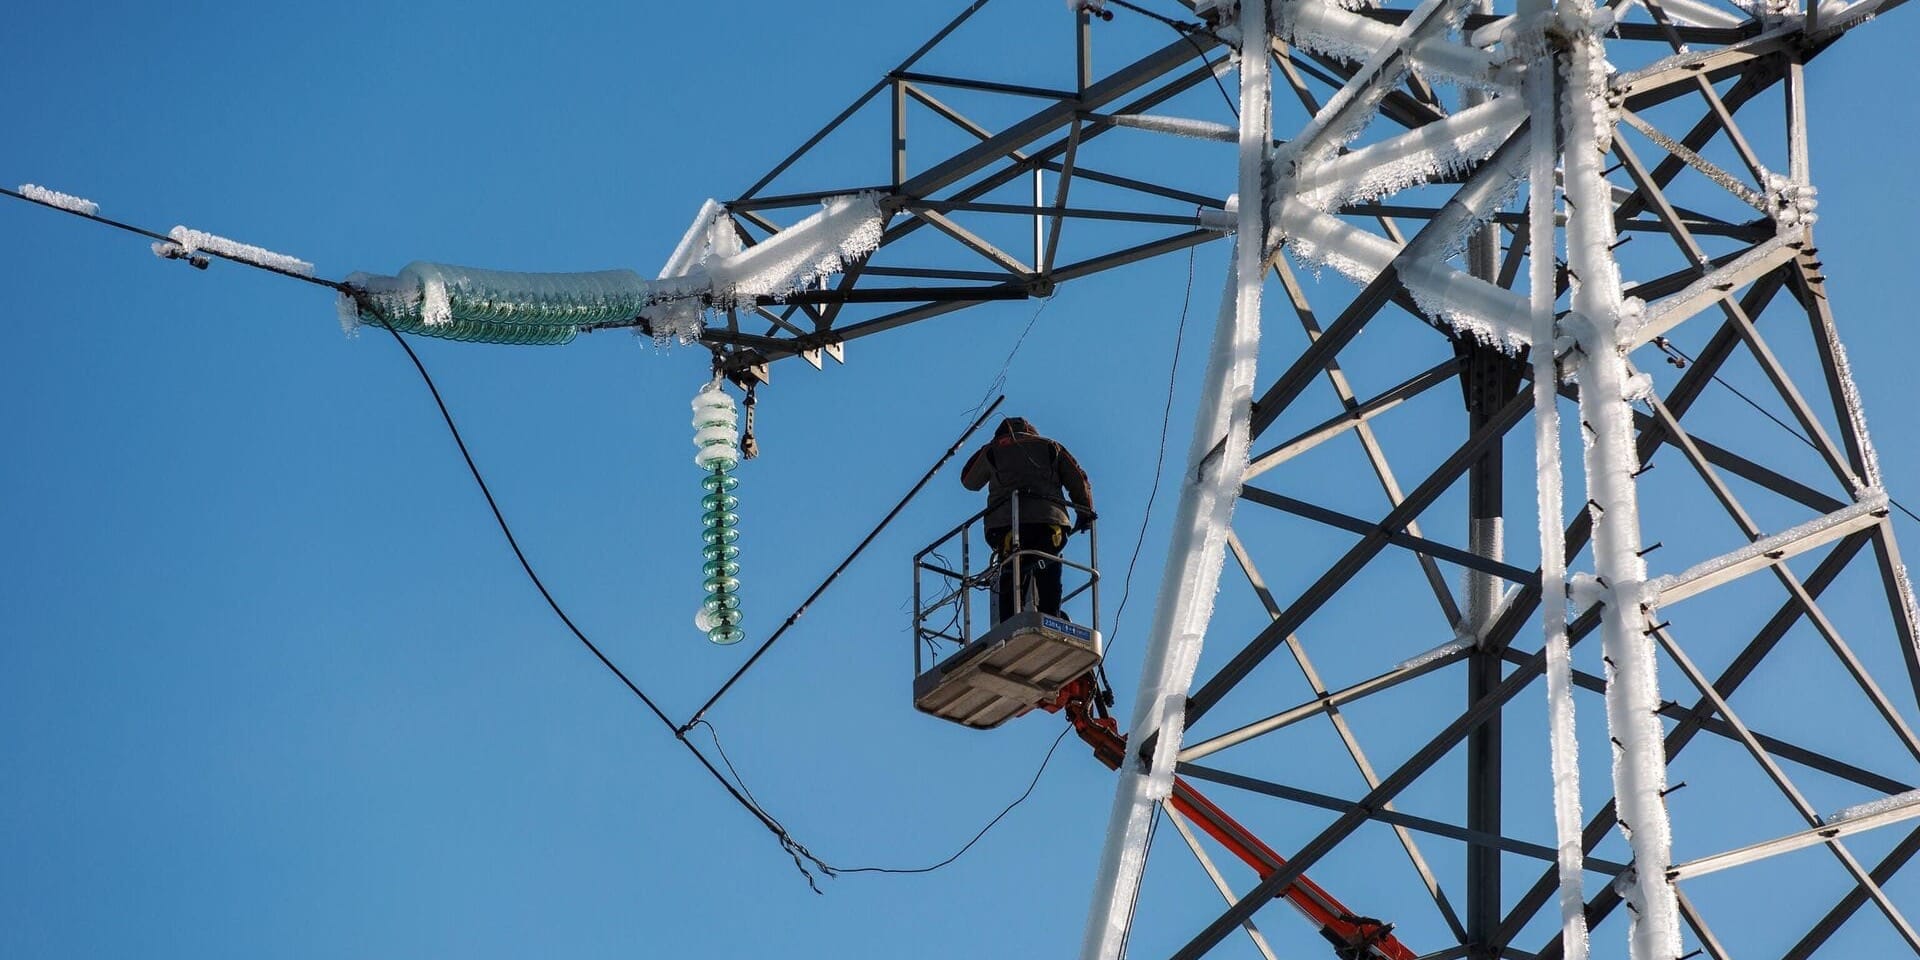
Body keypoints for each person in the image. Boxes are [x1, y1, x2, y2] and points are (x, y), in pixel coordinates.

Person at [960, 416, 1095, 623]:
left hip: (1006, 526)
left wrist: (990, 447)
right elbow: (1078, 479)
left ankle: (1009, 621)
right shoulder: (1050, 446)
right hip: (1049, 523)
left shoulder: (993, 450)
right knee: (1047, 566)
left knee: (1012, 571)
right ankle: (1052, 617)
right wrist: (1084, 513)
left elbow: (969, 480)